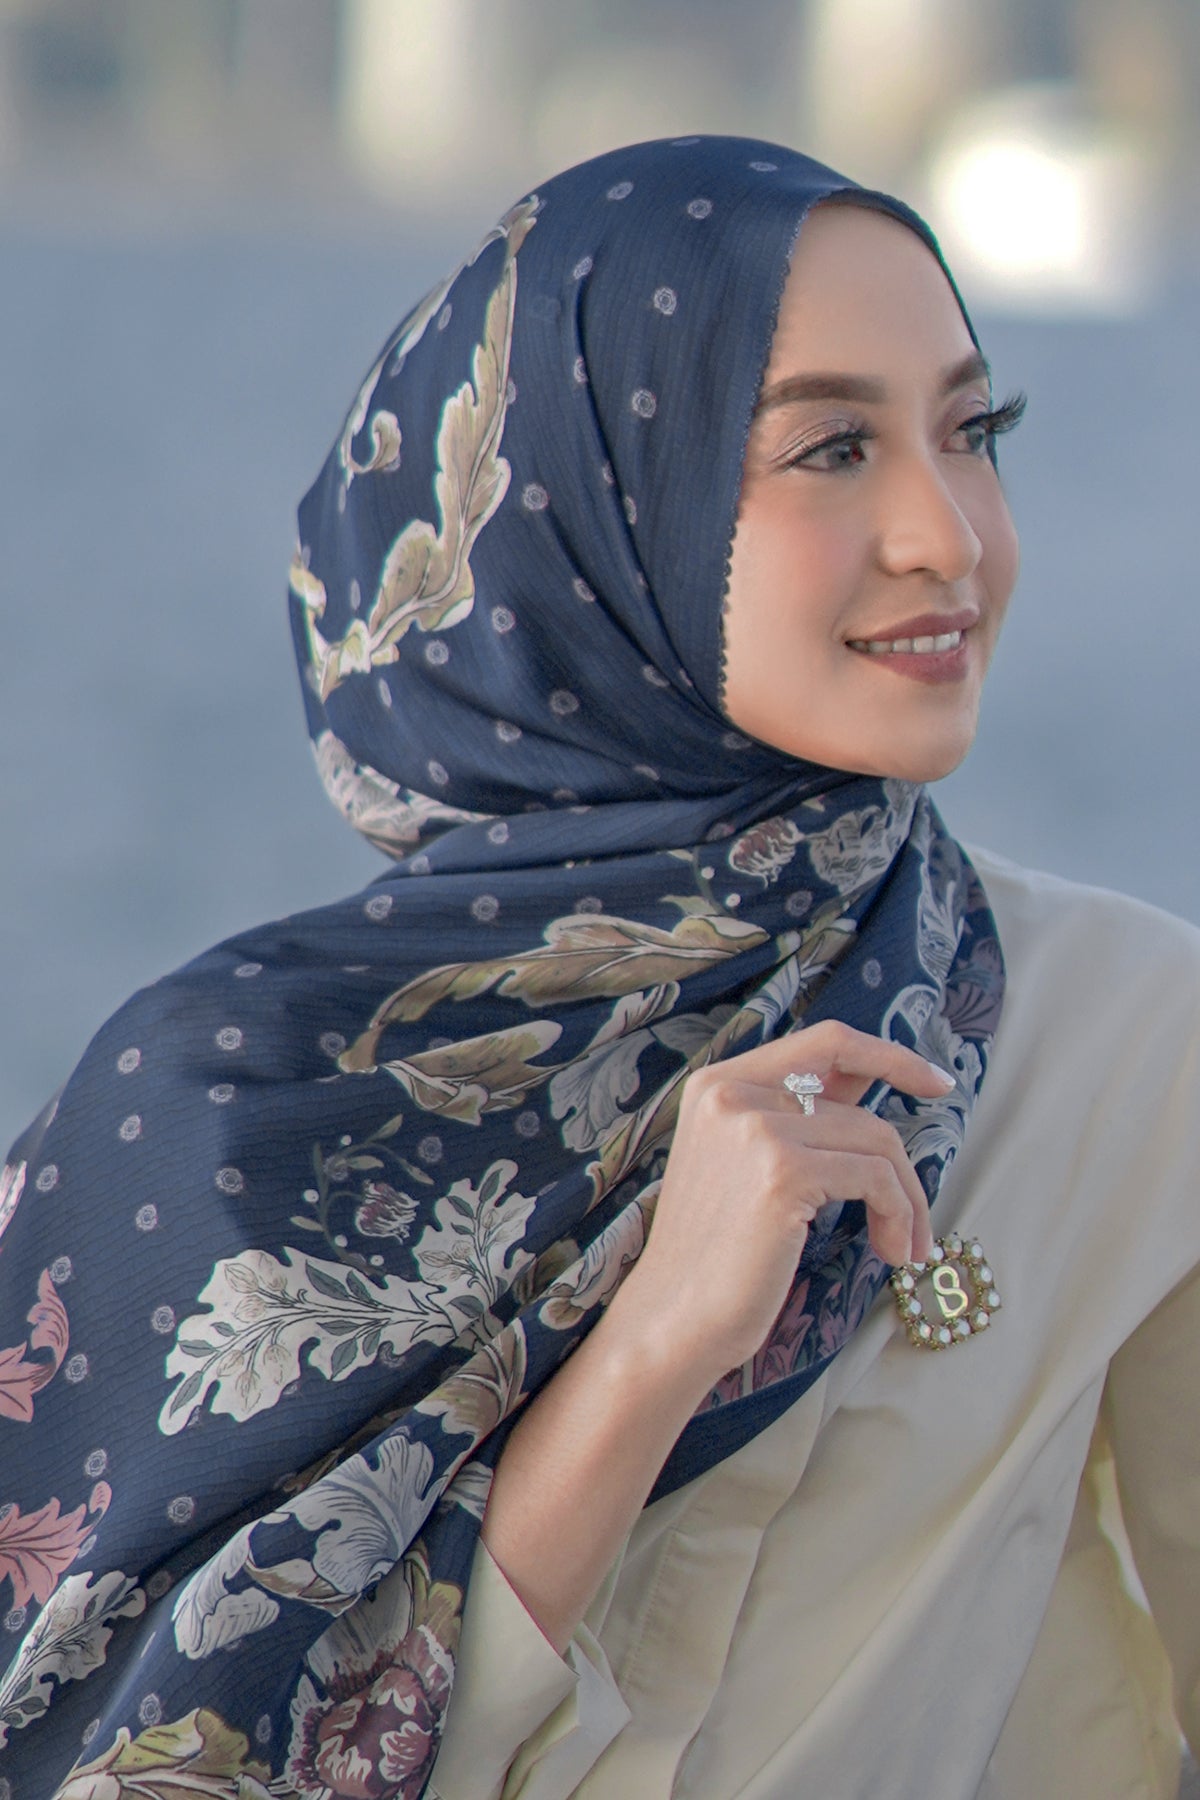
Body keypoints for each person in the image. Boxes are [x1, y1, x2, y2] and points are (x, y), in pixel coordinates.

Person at [0, 136, 1196, 1800]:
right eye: (833, 448)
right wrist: (647, 1354)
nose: (949, 534)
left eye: (972, 431)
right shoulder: (209, 1114)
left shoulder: (1124, 1047)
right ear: (592, 516)